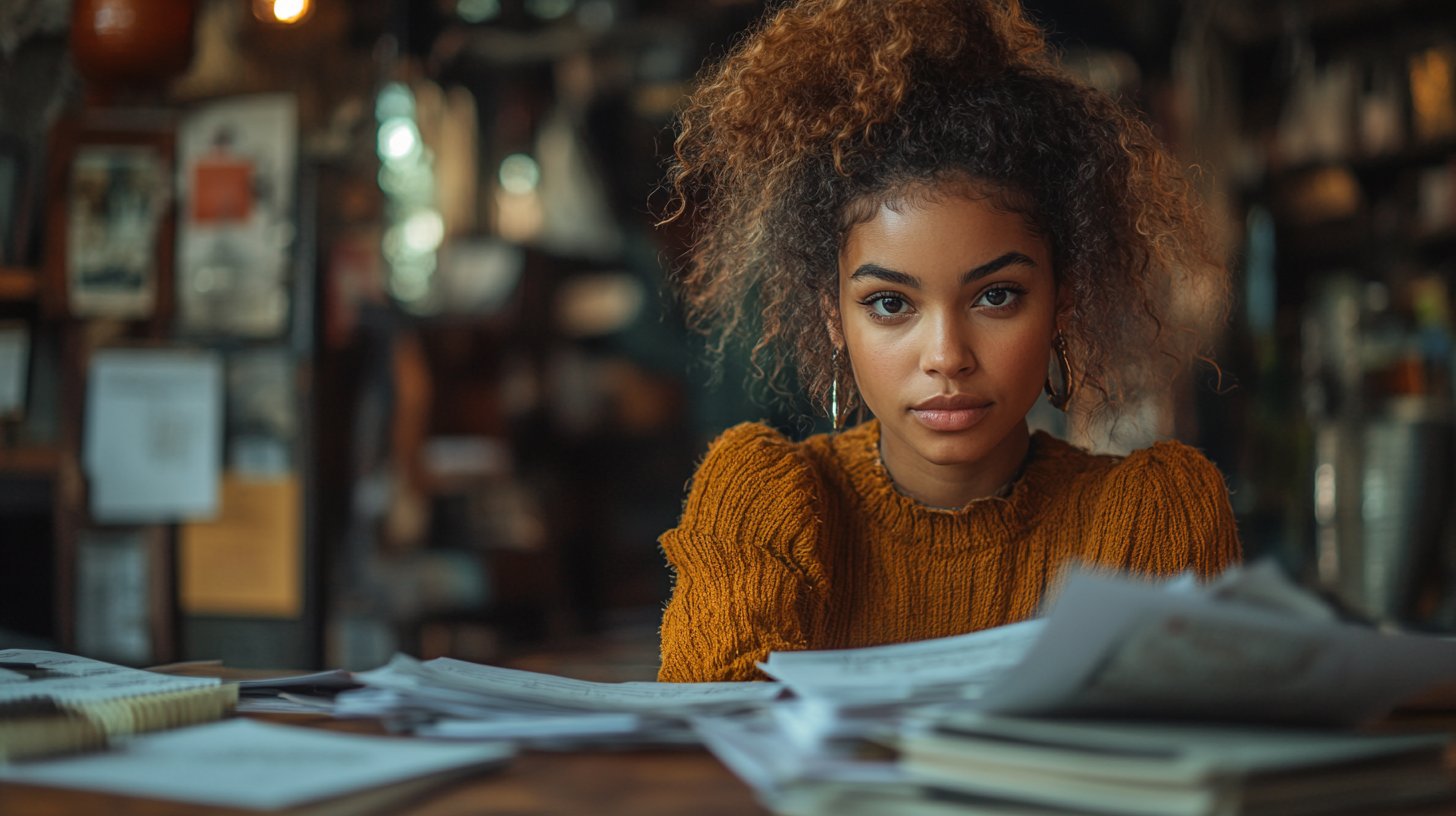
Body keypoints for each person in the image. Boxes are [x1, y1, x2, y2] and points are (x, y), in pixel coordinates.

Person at [655, 0, 1242, 683]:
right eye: (890, 304)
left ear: (1063, 301)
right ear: (832, 319)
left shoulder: (1151, 514)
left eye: (996, 296)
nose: (946, 355)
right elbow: (718, 744)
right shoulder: (761, 500)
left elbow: (1171, 757)